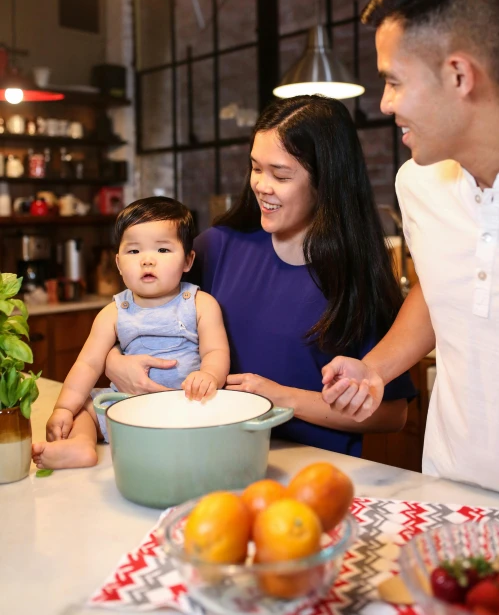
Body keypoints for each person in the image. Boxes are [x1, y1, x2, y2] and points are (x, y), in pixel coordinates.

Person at [106, 96, 416, 456]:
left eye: (281, 175)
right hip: (215, 457)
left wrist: (279, 397)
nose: (261, 186)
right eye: (256, 168)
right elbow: (126, 317)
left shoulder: (354, 276)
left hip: (314, 471)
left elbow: (393, 413)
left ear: (325, 181)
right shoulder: (216, 248)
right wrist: (116, 362)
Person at [321, 0, 499, 496]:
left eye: (394, 81)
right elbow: (438, 288)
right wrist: (375, 368)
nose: (385, 104)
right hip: (449, 490)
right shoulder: (418, 184)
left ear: (459, 75)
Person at [32, 197, 230, 470]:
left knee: (219, 409)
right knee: (86, 409)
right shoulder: (113, 312)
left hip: (185, 406)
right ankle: (81, 445)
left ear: (188, 260)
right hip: (126, 408)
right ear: (118, 263)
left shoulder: (199, 303)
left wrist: (209, 375)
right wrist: (63, 408)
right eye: (134, 252)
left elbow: (215, 351)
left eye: (162, 249)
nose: (147, 260)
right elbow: (88, 364)